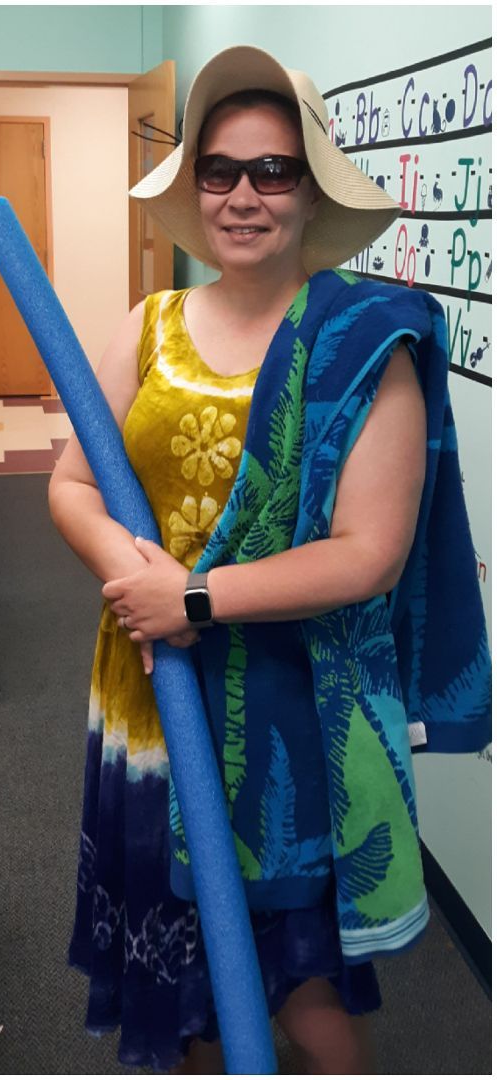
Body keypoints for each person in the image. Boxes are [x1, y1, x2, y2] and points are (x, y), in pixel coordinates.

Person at [48, 46, 489, 1074]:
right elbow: (71, 483)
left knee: (298, 980)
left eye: (273, 171)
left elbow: (369, 556)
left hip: (285, 711)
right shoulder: (148, 328)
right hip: (152, 684)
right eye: (220, 170)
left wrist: (192, 596)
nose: (242, 195)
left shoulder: (361, 348)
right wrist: (139, 581)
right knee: (185, 970)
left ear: (310, 191)